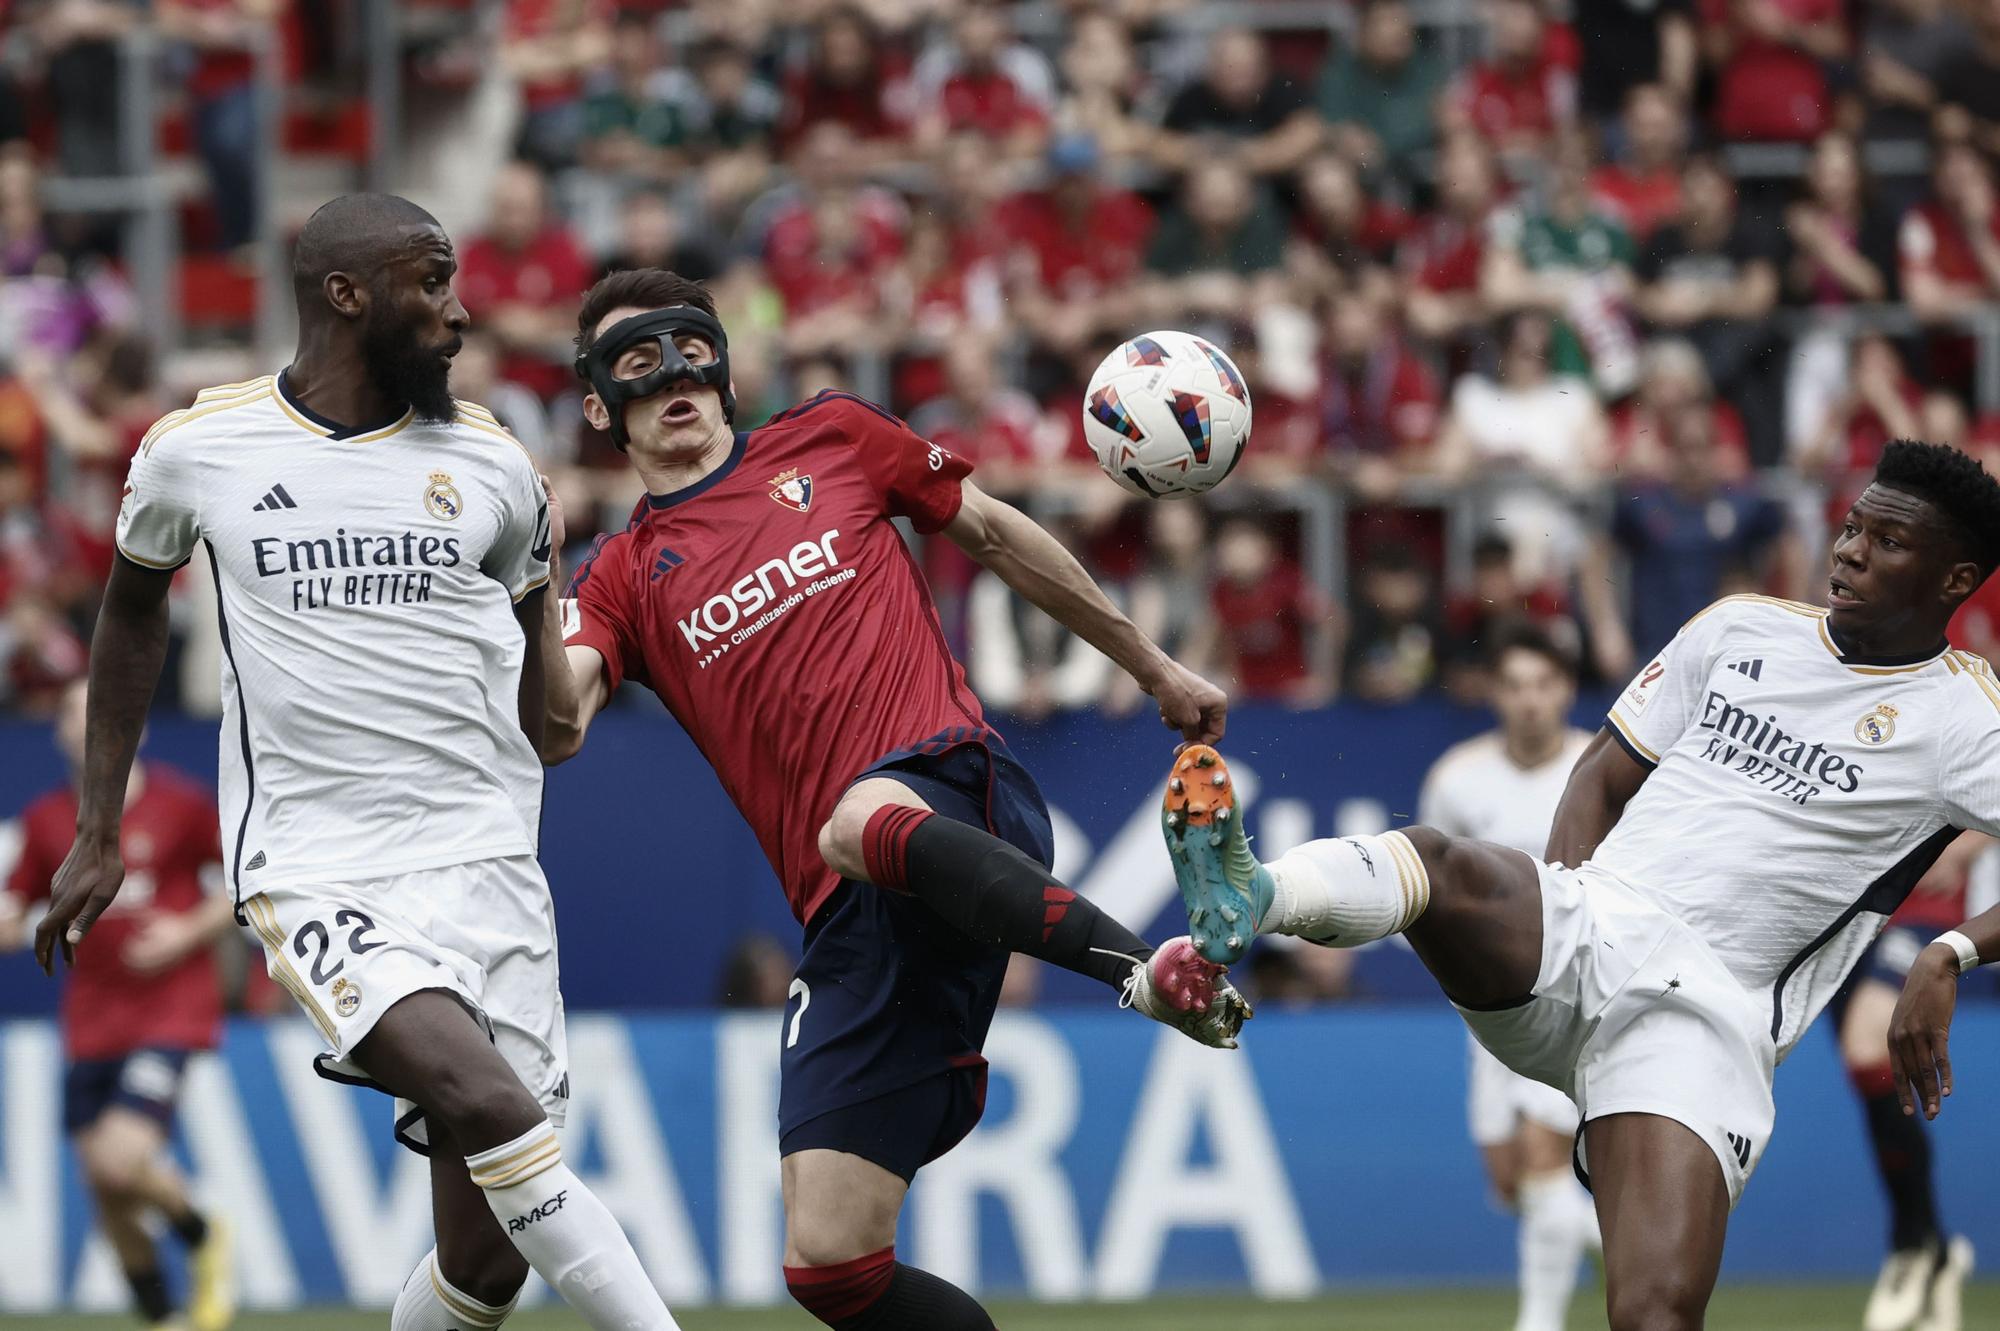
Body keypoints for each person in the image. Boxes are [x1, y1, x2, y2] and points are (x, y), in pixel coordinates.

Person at [543, 268, 1250, 1331]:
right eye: (638, 363)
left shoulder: (829, 438)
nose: (675, 375)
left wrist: (1151, 666)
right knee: (829, 1259)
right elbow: (556, 725)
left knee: (854, 818)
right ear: (600, 404)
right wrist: (517, 590)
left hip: (951, 786)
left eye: (690, 346)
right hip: (849, 912)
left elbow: (999, 536)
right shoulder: (619, 575)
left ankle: (1142, 969)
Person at [1161, 437, 2000, 1331]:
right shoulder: (1740, 627)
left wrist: (1950, 952)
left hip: (1706, 1019)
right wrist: (1561, 913)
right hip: (1593, 923)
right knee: (1441, 860)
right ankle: (1254, 897)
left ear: (1954, 580)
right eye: (1852, 526)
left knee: (1653, 1312)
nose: (1851, 550)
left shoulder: (1962, 716)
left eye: (1889, 541)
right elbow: (1602, 771)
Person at [31, 193, 685, 1331]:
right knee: (488, 1103)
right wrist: (99, 826)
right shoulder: (200, 449)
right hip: (320, 862)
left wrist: (573, 700)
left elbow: (543, 677)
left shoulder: (494, 465)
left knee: (484, 1264)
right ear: (347, 293)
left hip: (488, 858)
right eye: (429, 282)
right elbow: (131, 611)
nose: (458, 310)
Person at [0, 678, 237, 1331]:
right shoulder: (49, 821)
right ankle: (166, 1319)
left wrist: (187, 932)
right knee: (104, 1188)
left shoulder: (181, 806)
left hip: (170, 1009)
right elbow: (15, 913)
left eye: (102, 706)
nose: (89, 721)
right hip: (92, 1019)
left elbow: (246, 886)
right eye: (76, 712)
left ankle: (200, 1231)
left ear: (134, 723)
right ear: (59, 733)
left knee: (118, 1158)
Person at [1417, 630, 1597, 1331]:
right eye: (1515, 684)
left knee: (1544, 1158)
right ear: (1495, 694)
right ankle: (1619, 1243)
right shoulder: (1457, 778)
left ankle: (1538, 1322)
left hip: (1573, 990)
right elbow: (1429, 884)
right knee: (1511, 1178)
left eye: (1542, 683)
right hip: (1488, 1001)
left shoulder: (1598, 767)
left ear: (1564, 690)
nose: (1529, 700)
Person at [1830, 831, 1981, 1331]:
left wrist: (1966, 845)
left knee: (1868, 1041)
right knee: (1871, 1074)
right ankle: (1933, 1245)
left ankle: (1912, 1244)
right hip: (1840, 911)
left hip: (1924, 912)